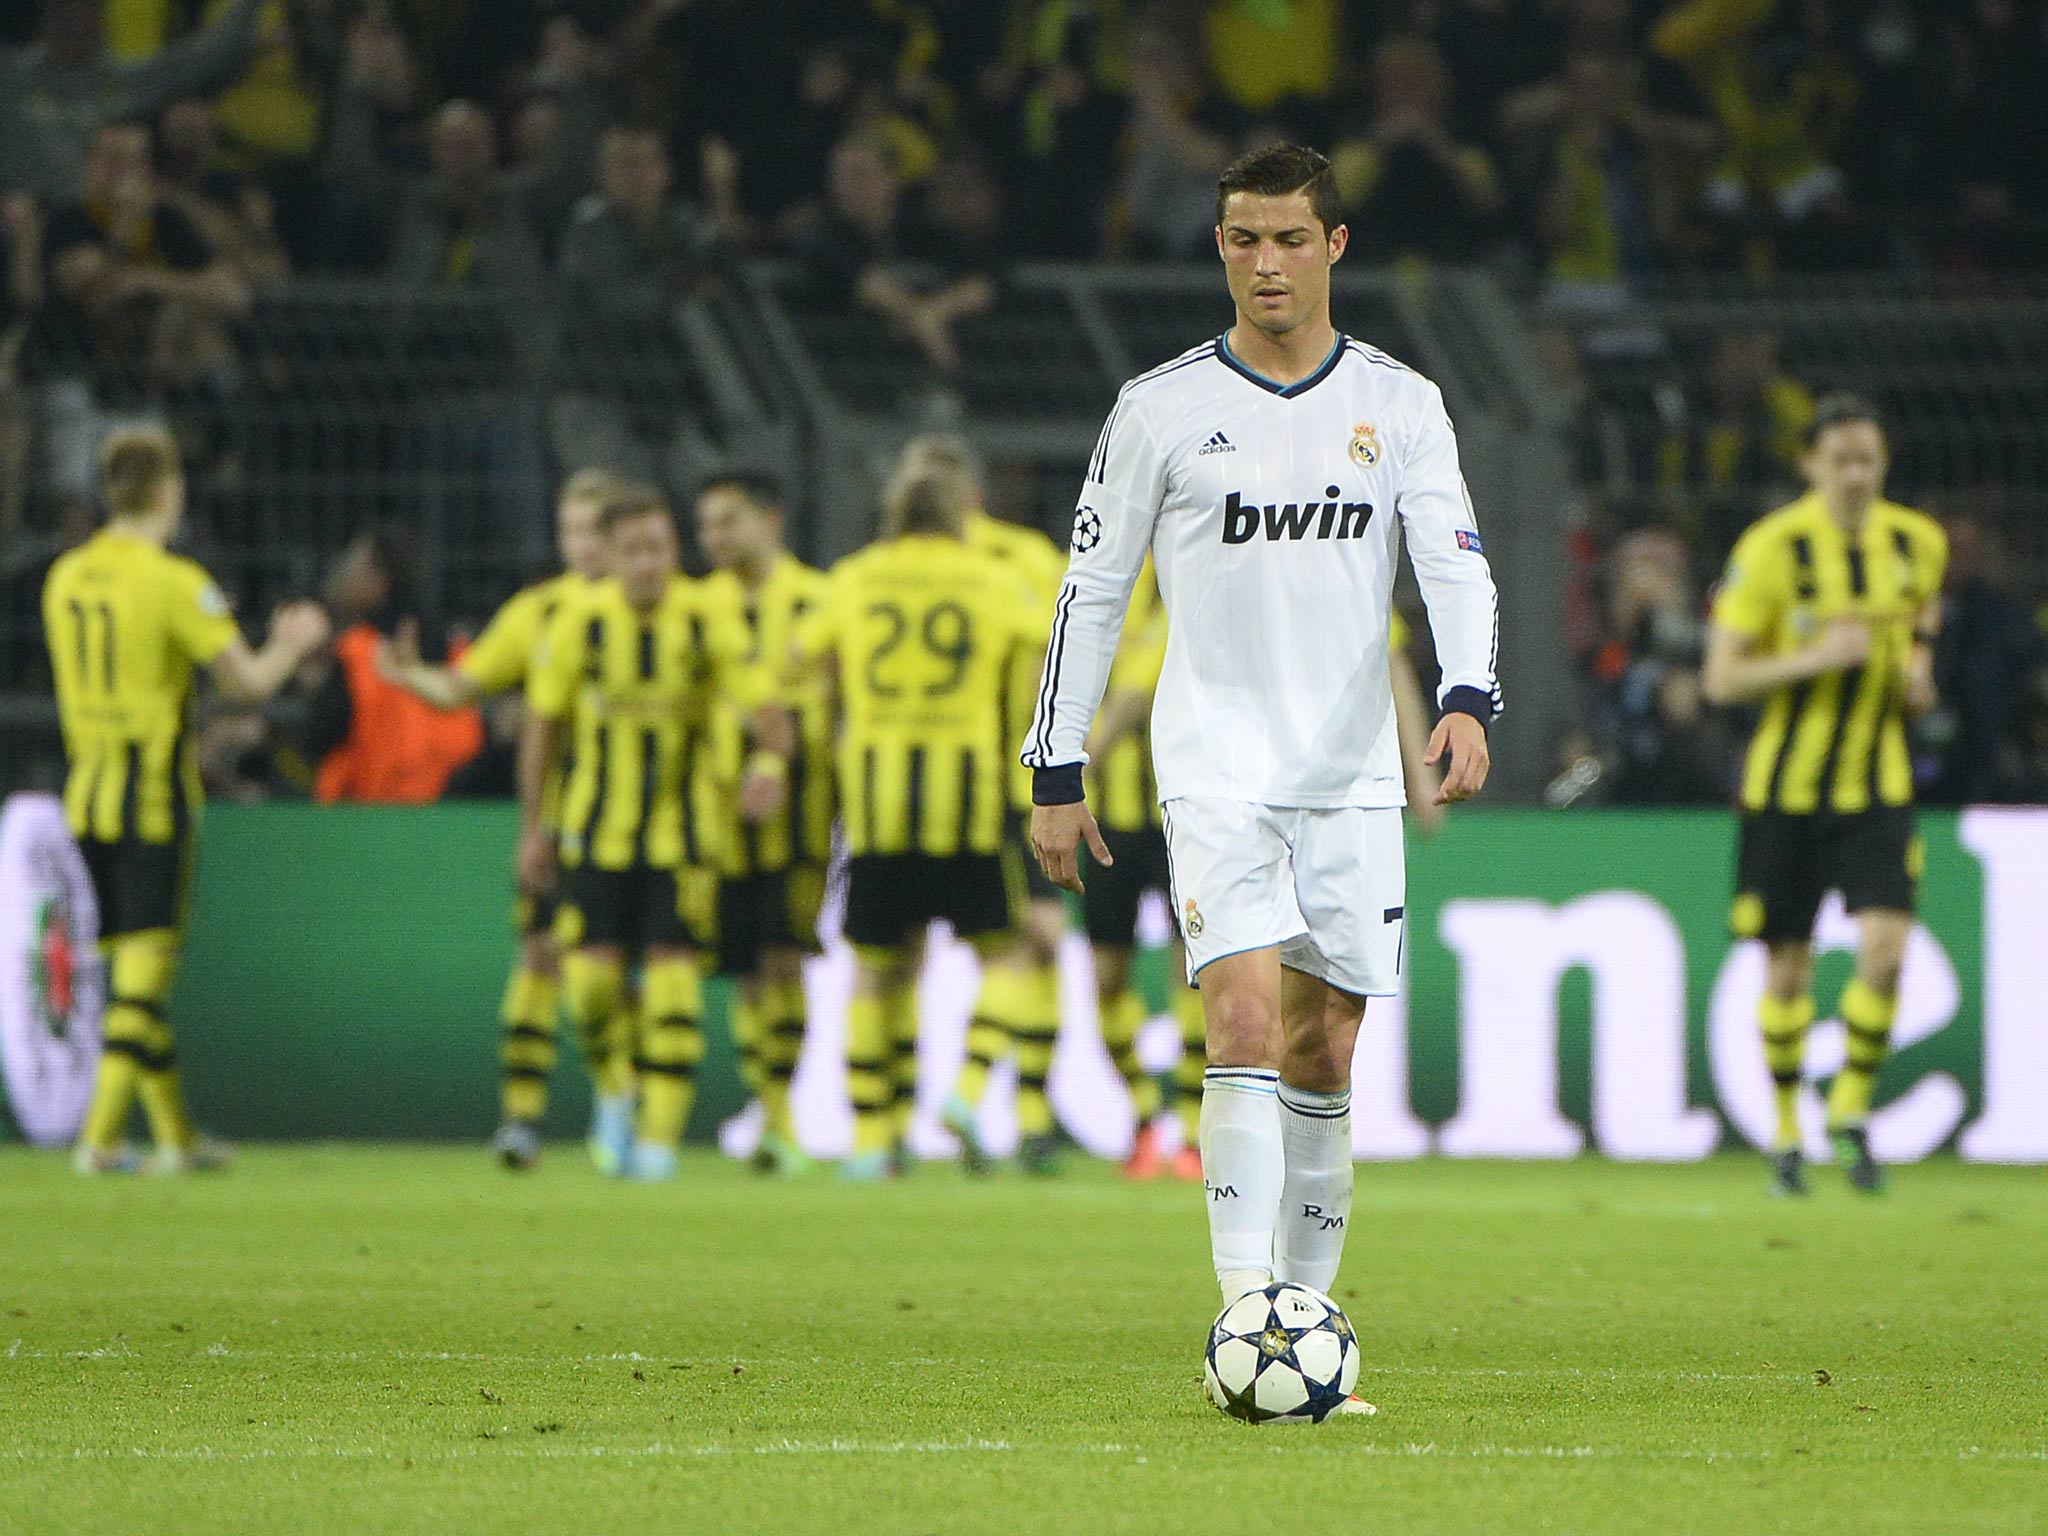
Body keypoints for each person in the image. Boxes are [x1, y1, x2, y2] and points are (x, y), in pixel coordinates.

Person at [1022, 148, 1499, 1392]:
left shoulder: (1400, 404)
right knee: (1236, 1016)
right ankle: (1244, 1318)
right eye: (1242, 239)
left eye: (1289, 238)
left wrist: (1463, 696)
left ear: (1333, 246)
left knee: (1321, 1052)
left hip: (1347, 773)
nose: (1265, 263)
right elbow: (1091, 589)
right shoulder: (1158, 408)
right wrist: (1056, 766)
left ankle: (1306, 1319)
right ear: (1219, 247)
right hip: (1213, 764)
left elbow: (1451, 561)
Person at [42, 423, 329, 1173]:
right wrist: (292, 642)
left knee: (129, 978)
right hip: (152, 801)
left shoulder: (64, 576)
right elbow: (250, 683)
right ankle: (100, 1139)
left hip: (85, 797)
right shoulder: (175, 582)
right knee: (143, 974)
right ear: (170, 489)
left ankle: (176, 1137)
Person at [1701, 394, 1947, 1198]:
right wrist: (1814, 661)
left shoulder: (1918, 546)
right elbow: (1722, 677)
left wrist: (1917, 684)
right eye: (1838, 460)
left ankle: (1847, 1109)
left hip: (1879, 787)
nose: (1854, 475)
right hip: (1786, 793)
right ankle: (1784, 1130)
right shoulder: (1773, 550)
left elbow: (1921, 657)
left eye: (1867, 460)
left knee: (1886, 952)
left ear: (1884, 465)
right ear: (1809, 464)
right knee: (1787, 970)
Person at [522, 483, 785, 1182]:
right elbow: (542, 731)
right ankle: (616, 1088)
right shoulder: (578, 623)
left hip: (684, 837)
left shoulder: (706, 619)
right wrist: (533, 829)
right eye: (634, 550)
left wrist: (766, 762)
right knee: (592, 990)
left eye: (661, 548)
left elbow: (769, 710)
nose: (649, 564)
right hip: (593, 832)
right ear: (606, 556)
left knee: (672, 983)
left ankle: (660, 1143)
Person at [377, 468, 631, 1172]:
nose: (582, 545)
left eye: (594, 530)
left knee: (615, 975)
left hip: (640, 824)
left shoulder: (659, 609)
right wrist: (409, 678)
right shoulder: (540, 610)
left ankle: (621, 1101)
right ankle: (522, 1119)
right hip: (562, 818)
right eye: (570, 530)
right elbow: (463, 687)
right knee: (541, 956)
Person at [796, 462, 1045, 1180]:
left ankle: (874, 1139)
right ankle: (965, 1092)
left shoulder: (854, 577)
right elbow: (1031, 673)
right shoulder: (993, 582)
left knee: (876, 971)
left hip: (873, 805)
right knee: (1008, 954)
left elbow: (805, 658)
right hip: (966, 800)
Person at [893, 434, 1071, 1176]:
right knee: (1033, 940)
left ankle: (1019, 1115)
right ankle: (982, 1098)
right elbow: (1065, 656)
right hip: (1009, 782)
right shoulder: (1025, 562)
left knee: (924, 952)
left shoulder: (896, 574)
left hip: (931, 782)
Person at [693, 472, 834, 1177]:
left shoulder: (817, 598)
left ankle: (783, 1114)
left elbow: (830, 698)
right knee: (746, 969)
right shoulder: (697, 606)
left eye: (727, 522)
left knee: (788, 958)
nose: (714, 538)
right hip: (719, 816)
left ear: (768, 518)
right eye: (707, 526)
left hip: (802, 808)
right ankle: (772, 1110)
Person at [1074, 555, 1207, 1181]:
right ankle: (1146, 1117)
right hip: (1108, 819)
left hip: (1185, 812)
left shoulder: (1196, 561)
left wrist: (1088, 755)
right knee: (1104, 979)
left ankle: (1192, 1132)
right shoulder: (1092, 573)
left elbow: (1141, 683)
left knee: (1195, 974)